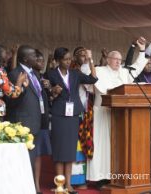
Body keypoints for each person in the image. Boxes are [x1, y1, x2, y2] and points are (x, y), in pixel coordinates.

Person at [86, 37, 148, 191]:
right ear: (108, 60)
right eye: (115, 59)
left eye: (120, 60)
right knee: (102, 146)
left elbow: (139, 66)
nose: (119, 62)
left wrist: (142, 50)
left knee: (117, 146)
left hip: (120, 115)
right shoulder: (99, 70)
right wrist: (89, 60)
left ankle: (116, 176)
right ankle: (100, 178)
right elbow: (85, 74)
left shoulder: (125, 72)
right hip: (102, 113)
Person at [48, 47, 98, 194]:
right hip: (58, 114)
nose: (68, 61)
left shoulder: (76, 73)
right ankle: (59, 185)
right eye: (65, 59)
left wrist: (91, 61)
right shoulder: (51, 74)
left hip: (73, 114)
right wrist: (53, 92)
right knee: (58, 150)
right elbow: (47, 94)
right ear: (58, 60)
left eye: (70, 59)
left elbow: (93, 79)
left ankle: (68, 185)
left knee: (69, 150)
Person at [6, 45, 49, 183]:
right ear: (25, 58)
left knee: (30, 159)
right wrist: (22, 89)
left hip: (35, 121)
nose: (37, 58)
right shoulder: (15, 74)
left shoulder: (33, 73)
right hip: (23, 124)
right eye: (34, 56)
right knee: (22, 161)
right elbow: (11, 101)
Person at [69, 47, 95, 187]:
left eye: (87, 55)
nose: (85, 58)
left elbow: (92, 86)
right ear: (74, 57)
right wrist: (87, 66)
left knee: (84, 145)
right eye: (82, 55)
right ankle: (72, 180)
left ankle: (81, 180)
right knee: (74, 147)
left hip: (86, 111)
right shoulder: (72, 70)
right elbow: (89, 82)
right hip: (73, 111)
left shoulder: (87, 69)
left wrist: (89, 64)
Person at [31, 49, 52, 194]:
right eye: (38, 60)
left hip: (42, 120)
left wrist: (50, 89)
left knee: (38, 154)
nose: (42, 62)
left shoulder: (44, 77)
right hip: (30, 120)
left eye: (43, 60)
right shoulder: (27, 77)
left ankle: (37, 186)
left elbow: (49, 99)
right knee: (31, 153)